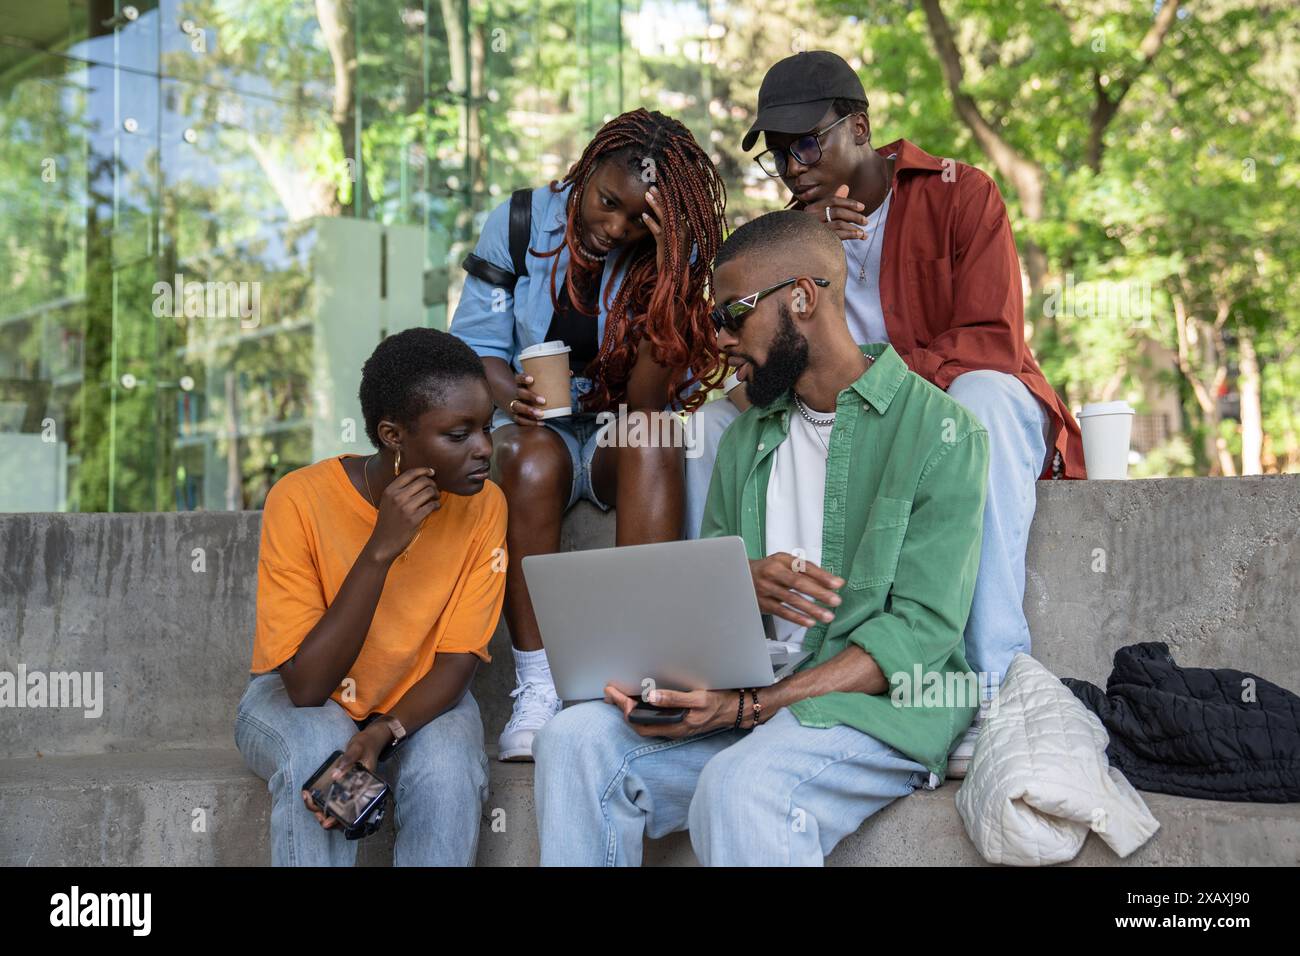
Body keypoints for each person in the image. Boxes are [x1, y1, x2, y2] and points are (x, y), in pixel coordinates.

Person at [533, 211, 989, 866]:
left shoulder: (941, 432)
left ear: (802, 298)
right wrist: (725, 611)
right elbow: (716, 618)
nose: (719, 339)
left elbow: (919, 636)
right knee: (573, 740)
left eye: (732, 315)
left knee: (741, 785)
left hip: (877, 712)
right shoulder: (747, 439)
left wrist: (754, 706)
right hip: (755, 700)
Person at [684, 51, 1086, 777]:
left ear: (860, 128)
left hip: (943, 412)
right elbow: (767, 367)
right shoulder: (794, 237)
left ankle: (992, 682)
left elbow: (991, 340)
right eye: (779, 155)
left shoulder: (959, 195)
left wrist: (876, 389)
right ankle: (724, 653)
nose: (794, 166)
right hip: (833, 421)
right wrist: (818, 252)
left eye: (807, 142)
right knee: (709, 424)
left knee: (984, 399)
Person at [451, 108, 728, 761]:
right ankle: (538, 687)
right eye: (608, 203)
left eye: (637, 221)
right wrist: (504, 392)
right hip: (534, 429)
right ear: (589, 165)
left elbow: (648, 401)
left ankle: (640, 679)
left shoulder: (665, 253)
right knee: (528, 462)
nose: (615, 227)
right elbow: (476, 348)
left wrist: (667, 274)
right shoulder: (518, 223)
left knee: (655, 436)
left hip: (612, 432)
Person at [234, 328, 505, 866]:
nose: (485, 450)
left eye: (487, 427)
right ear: (393, 435)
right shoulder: (299, 499)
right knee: (321, 748)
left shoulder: (485, 506)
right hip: (300, 697)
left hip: (421, 696)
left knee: (450, 763)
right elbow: (307, 686)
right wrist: (380, 550)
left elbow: (456, 664)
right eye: (458, 435)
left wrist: (384, 731)